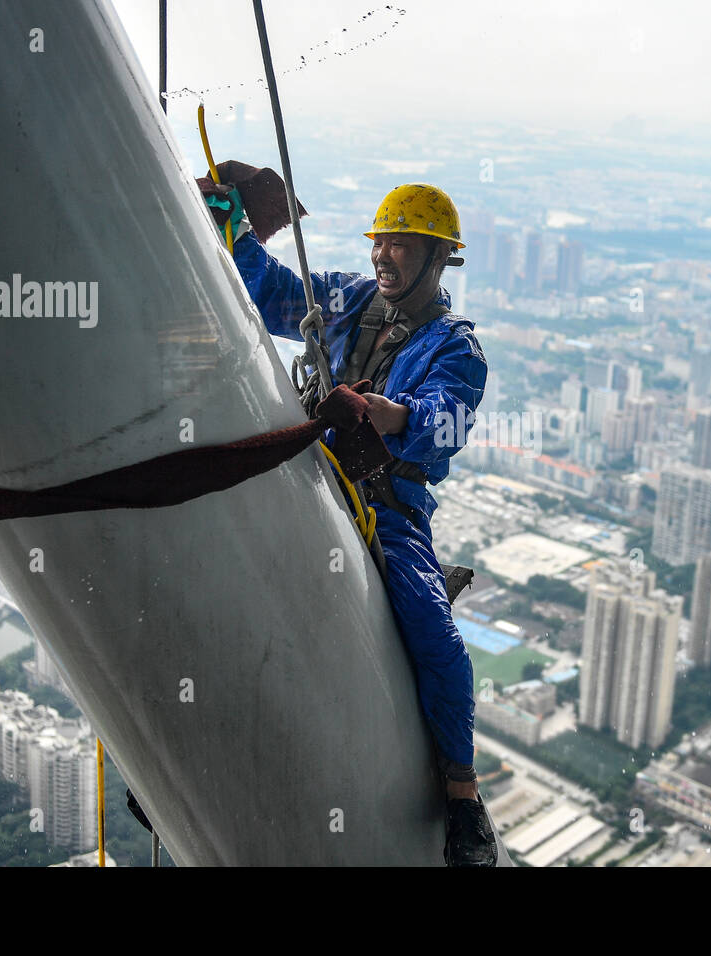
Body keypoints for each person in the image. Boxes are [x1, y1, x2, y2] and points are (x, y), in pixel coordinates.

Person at [207, 179, 496, 867]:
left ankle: (462, 796)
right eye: (381, 241)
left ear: (437, 258)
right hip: (307, 468)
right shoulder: (350, 301)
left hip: (381, 501)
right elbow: (272, 293)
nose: (384, 255)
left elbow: (439, 425)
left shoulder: (456, 350)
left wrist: (377, 413)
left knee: (434, 633)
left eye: (401, 244)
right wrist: (236, 227)